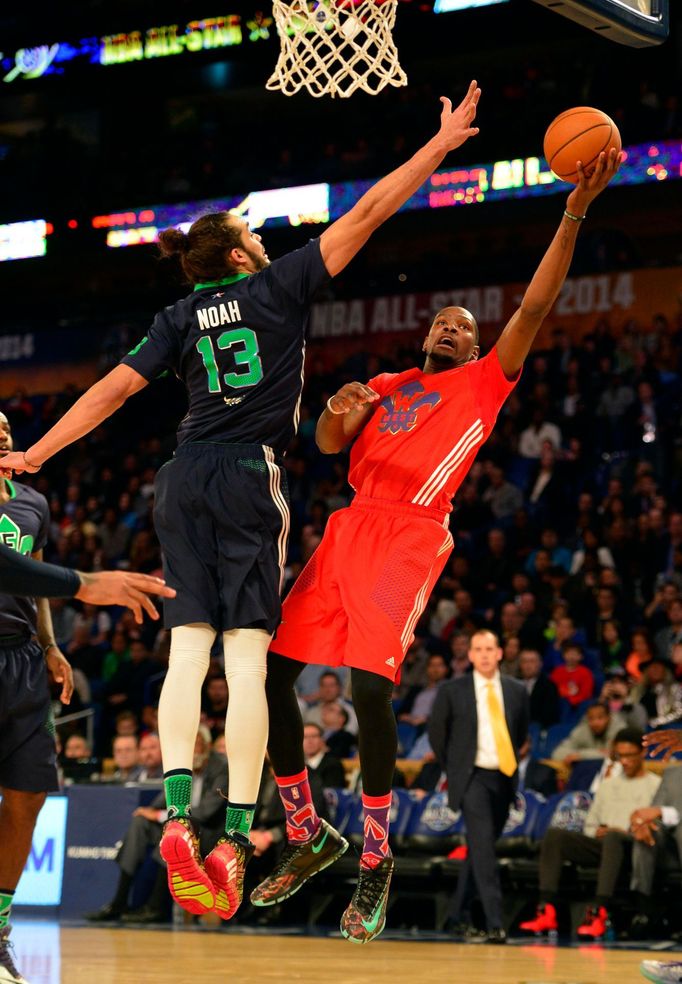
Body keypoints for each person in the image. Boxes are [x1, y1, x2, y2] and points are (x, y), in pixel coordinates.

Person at [0, 82, 484, 922]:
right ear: (236, 255)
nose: (266, 241)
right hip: (248, 474)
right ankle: (230, 834)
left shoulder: (179, 313)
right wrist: (438, 148)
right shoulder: (279, 285)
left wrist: (37, 452)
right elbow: (368, 212)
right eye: (254, 236)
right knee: (251, 658)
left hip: (181, 474)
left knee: (188, 648)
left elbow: (113, 391)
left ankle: (178, 809)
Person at [249, 149, 621, 944]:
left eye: (466, 327)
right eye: (444, 323)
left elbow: (533, 306)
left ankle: (375, 862)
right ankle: (309, 831)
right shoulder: (386, 385)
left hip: (412, 531)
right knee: (270, 675)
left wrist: (574, 211)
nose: (453, 328)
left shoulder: (486, 381)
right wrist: (341, 410)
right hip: (350, 524)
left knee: (371, 693)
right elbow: (321, 444)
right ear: (425, 335)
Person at [429, 630, 529, 942]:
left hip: (503, 776)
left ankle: (456, 915)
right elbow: (437, 734)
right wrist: (455, 770)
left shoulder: (516, 690)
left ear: (500, 653)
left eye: (490, 648)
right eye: (478, 649)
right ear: (470, 655)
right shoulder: (452, 690)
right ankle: (495, 922)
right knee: (484, 848)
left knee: (480, 848)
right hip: (471, 778)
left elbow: (521, 730)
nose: (484, 654)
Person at [520, 729, 660, 940]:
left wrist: (623, 830)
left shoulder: (655, 784)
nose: (625, 761)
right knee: (555, 836)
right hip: (604, 843)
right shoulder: (608, 785)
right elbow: (589, 824)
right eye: (621, 756)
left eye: (630, 755)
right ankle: (546, 909)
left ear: (642, 753)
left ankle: (598, 913)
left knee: (614, 838)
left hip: (634, 846)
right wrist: (596, 831)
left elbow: (656, 826)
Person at [86, 728, 225, 923]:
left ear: (207, 747)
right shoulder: (183, 765)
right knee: (141, 823)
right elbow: (163, 799)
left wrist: (160, 815)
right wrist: (149, 812)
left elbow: (207, 811)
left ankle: (156, 907)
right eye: (188, 745)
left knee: (173, 834)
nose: (192, 750)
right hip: (181, 825)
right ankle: (118, 902)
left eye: (196, 745)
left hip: (208, 832)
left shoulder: (221, 767)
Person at [629, 763, 682, 939]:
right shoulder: (672, 773)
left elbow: (661, 810)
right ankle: (644, 911)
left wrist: (661, 811)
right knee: (645, 832)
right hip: (671, 846)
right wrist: (643, 823)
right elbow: (656, 809)